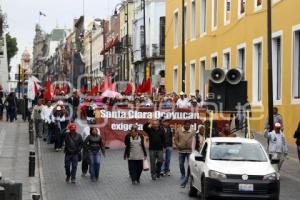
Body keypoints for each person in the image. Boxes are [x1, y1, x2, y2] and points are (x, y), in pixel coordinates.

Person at [174, 120, 195, 187]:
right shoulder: (179, 130)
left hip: (190, 151)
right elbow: (175, 139)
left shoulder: (193, 131)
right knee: (181, 164)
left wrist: (193, 148)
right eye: (186, 125)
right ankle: (183, 175)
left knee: (189, 164)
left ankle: (188, 176)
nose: (187, 126)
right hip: (181, 150)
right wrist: (178, 145)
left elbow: (195, 140)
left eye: (189, 125)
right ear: (184, 125)